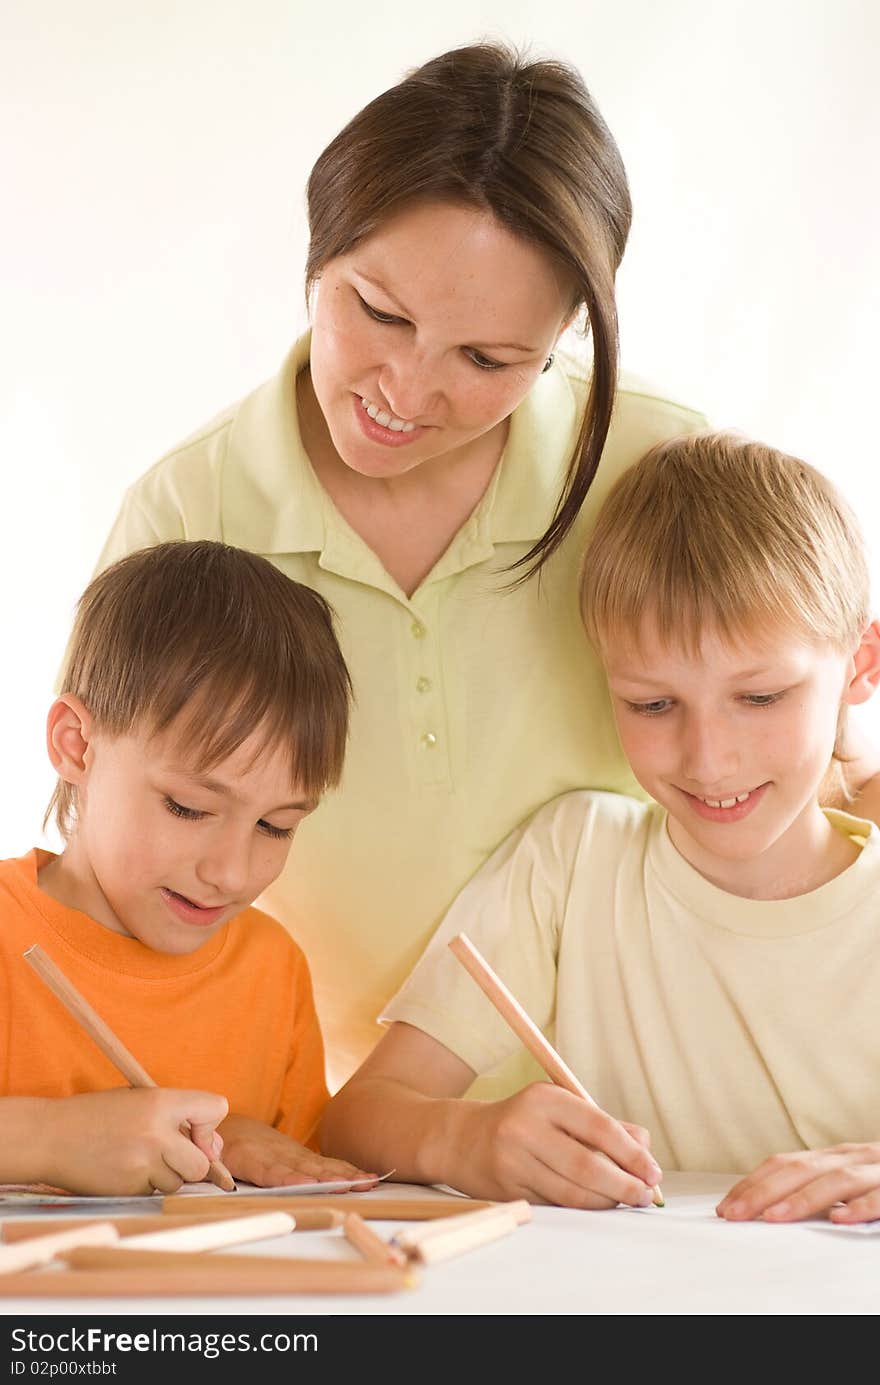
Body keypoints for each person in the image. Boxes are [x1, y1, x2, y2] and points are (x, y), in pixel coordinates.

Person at [89, 42, 880, 1094]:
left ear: (560, 340)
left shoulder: (648, 463)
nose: (407, 391)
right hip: (315, 1119)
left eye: (487, 360)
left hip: (634, 1118)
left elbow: (821, 763)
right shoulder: (189, 511)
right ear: (317, 257)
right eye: (378, 312)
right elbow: (107, 843)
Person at [319, 432, 880, 1226]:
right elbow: (353, 1116)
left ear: (861, 664)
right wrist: (462, 1136)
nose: (710, 759)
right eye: (654, 704)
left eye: (760, 697)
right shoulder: (574, 860)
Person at [0, 540, 375, 1196]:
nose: (231, 872)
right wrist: (51, 1138)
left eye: (275, 825)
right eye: (189, 806)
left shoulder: (272, 970)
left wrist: (250, 1139)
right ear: (76, 744)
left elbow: (307, 1199)